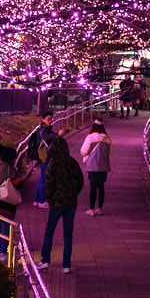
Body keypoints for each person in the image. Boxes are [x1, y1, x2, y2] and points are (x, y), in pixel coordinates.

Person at [37, 135, 84, 273]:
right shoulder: (72, 163)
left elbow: (49, 183)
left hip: (56, 204)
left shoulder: (53, 164)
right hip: (70, 203)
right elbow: (80, 181)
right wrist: (73, 193)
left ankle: (45, 261)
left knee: (49, 231)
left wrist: (50, 199)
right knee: (68, 234)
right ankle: (66, 265)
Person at [0, 144, 21, 261]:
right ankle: (4, 252)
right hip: (6, 202)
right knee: (6, 227)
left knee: (1, 227)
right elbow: (18, 183)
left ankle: (0, 251)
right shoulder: (9, 168)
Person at [80, 119, 112, 216]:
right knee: (101, 187)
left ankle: (91, 209)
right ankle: (100, 208)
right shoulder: (107, 138)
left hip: (92, 166)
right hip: (103, 166)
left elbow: (83, 151)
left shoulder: (90, 137)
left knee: (93, 188)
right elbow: (109, 152)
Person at [25, 112, 56, 208]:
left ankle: (37, 200)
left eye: (51, 119)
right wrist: (58, 134)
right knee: (44, 179)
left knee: (42, 178)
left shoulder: (41, 130)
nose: (50, 121)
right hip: (45, 157)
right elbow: (48, 138)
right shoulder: (44, 131)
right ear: (43, 120)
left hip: (42, 157)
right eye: (48, 119)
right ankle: (42, 201)